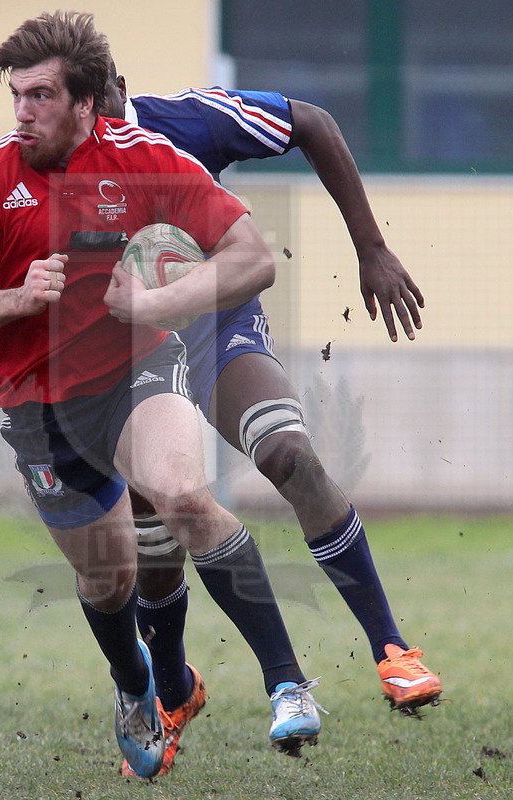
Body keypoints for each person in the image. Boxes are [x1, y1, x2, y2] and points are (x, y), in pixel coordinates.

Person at [0, 10, 325, 780]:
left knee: (183, 494)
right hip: (39, 404)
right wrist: (16, 299)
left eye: (41, 96)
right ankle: (137, 685)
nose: (23, 113)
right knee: (107, 578)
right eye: (16, 95)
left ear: (84, 102)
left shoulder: (145, 160)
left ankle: (287, 683)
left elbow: (251, 259)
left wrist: (159, 307)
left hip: (135, 372)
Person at [99, 67, 442, 776]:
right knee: (157, 519)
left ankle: (391, 647)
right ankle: (173, 689)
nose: (89, 120)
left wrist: (370, 246)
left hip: (214, 324)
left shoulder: (185, 123)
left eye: (94, 101)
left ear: (116, 88)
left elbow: (311, 121)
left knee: (291, 455)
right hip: (124, 349)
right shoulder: (50, 159)